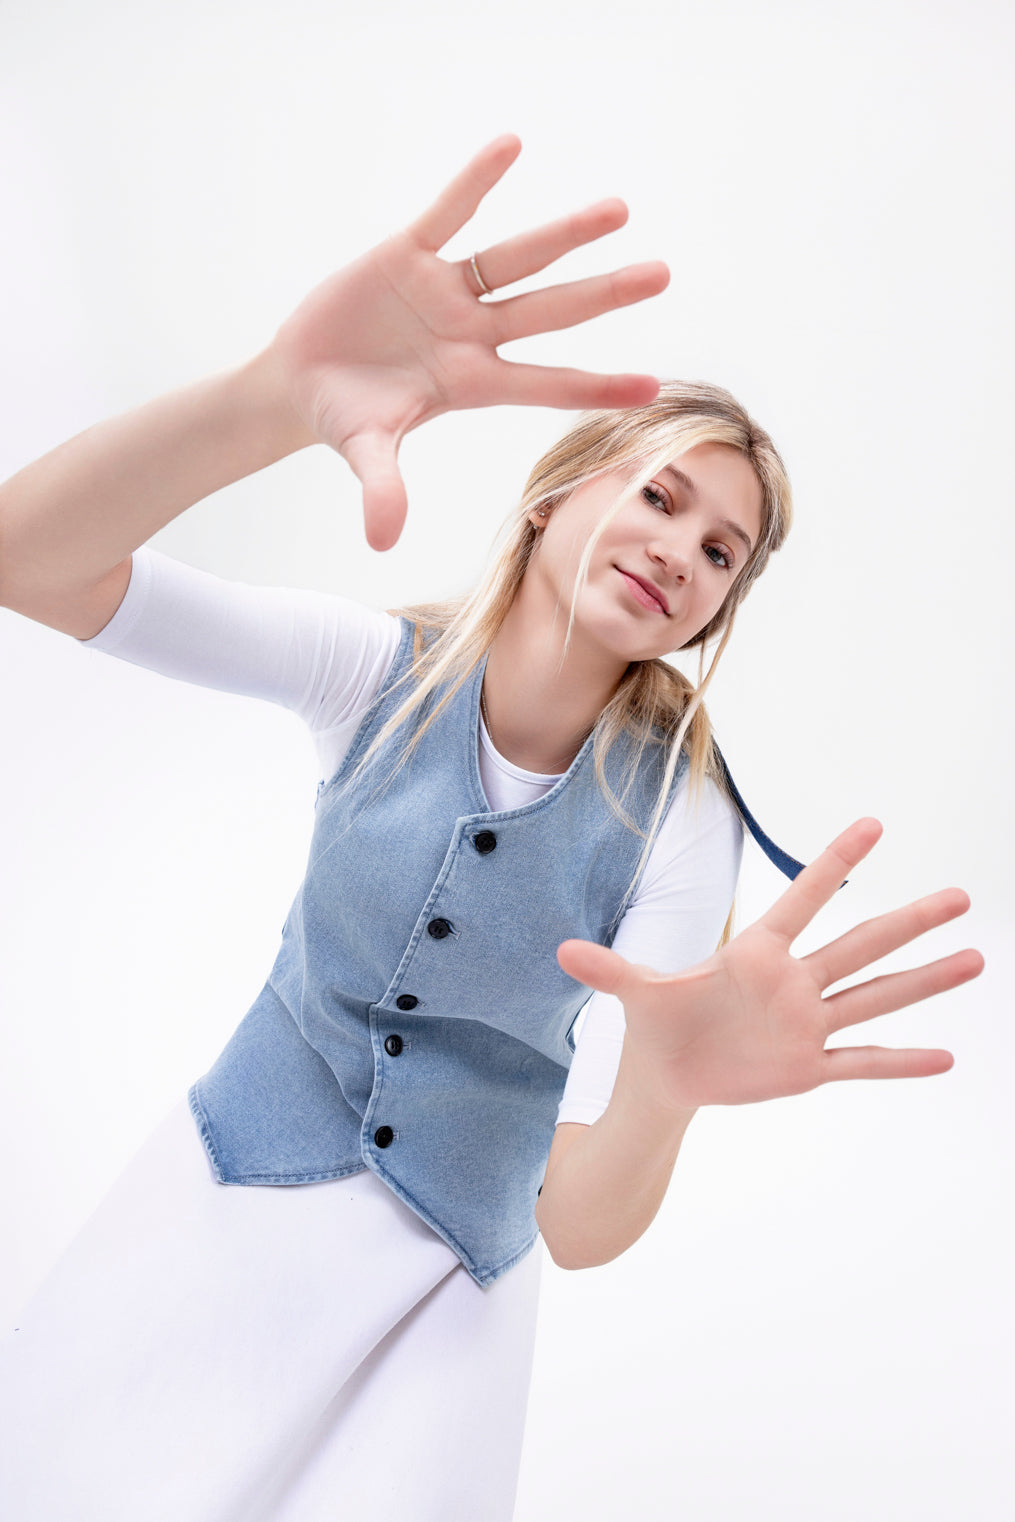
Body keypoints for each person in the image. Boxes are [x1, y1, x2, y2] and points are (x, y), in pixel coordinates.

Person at [0, 135, 983, 1522]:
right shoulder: (370, 672)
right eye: (662, 496)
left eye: (724, 554)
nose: (686, 552)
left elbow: (580, 1223)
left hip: (444, 1293)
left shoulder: (675, 818)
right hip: (221, 1201)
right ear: (555, 493)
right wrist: (269, 400)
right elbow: (31, 558)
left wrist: (663, 1092)